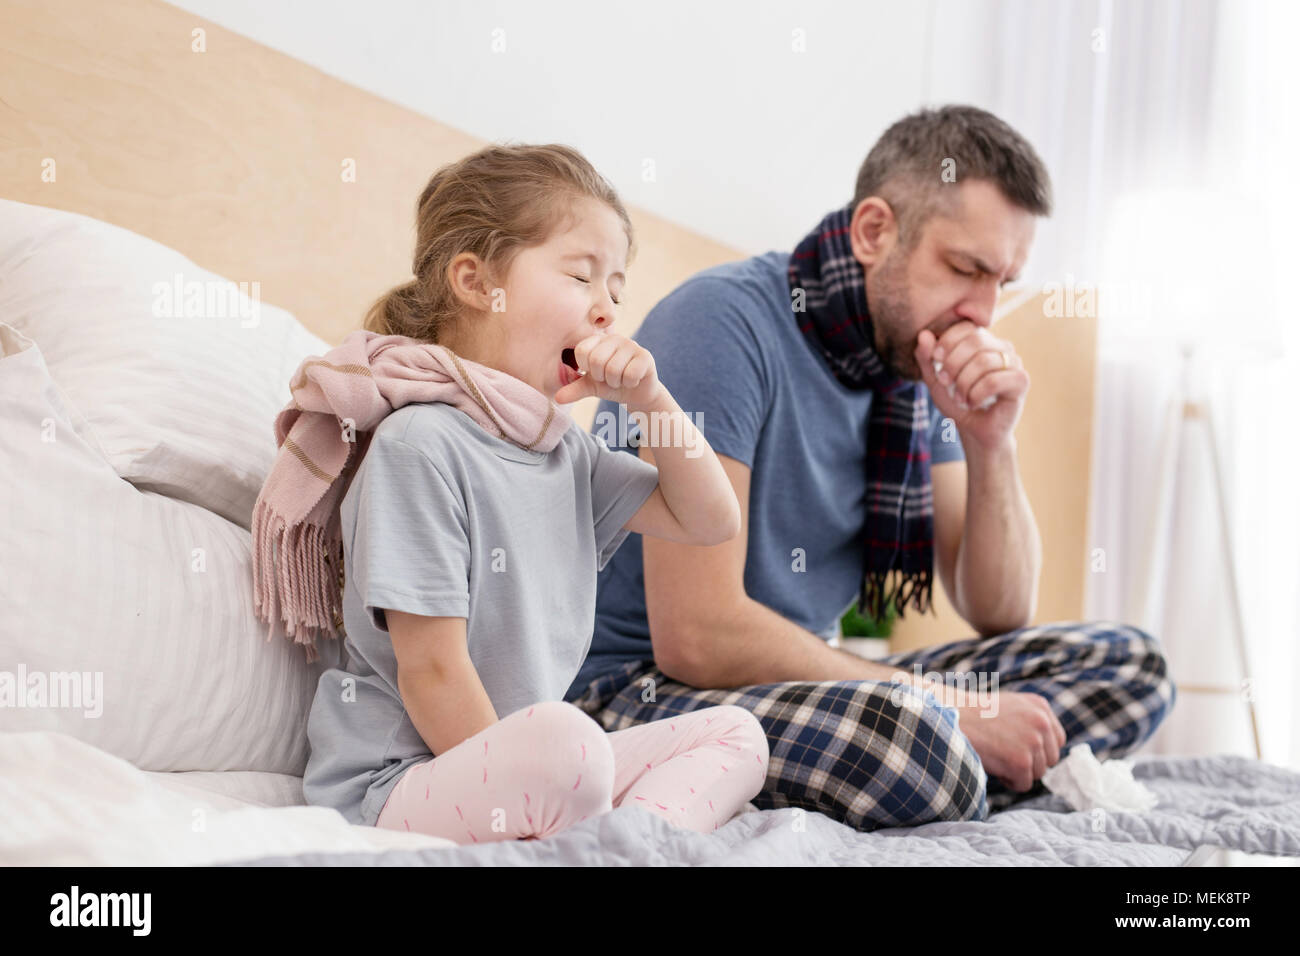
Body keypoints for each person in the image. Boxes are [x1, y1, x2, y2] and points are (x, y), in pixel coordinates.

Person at [564, 105, 1178, 830]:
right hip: (640, 692)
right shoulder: (719, 325)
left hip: (802, 683)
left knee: (1132, 667)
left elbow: (998, 610)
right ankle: (959, 761)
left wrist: (989, 440)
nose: (981, 313)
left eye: (1003, 283)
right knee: (922, 750)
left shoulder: (910, 367)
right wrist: (953, 706)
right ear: (874, 231)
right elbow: (698, 635)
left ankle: (950, 761)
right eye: (965, 269)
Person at [253, 144, 769, 845]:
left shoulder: (567, 454)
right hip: (401, 781)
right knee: (568, 743)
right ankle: (588, 836)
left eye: (616, 290)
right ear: (474, 281)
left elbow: (711, 519)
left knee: (738, 734)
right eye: (581, 276)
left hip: (540, 766)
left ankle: (626, 848)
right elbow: (432, 670)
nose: (605, 312)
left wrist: (651, 398)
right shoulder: (419, 446)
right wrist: (517, 775)